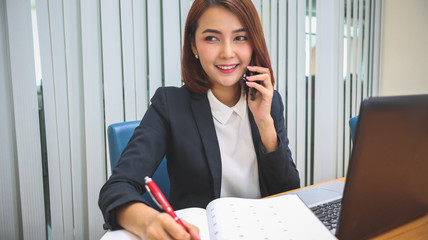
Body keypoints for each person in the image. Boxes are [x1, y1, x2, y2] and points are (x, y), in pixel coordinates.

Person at [99, 0, 300, 239]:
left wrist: (264, 122)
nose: (227, 52)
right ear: (193, 45)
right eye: (211, 38)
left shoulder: (269, 100)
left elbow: (287, 193)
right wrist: (149, 221)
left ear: (253, 43)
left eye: (240, 37)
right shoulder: (170, 105)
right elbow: (117, 187)